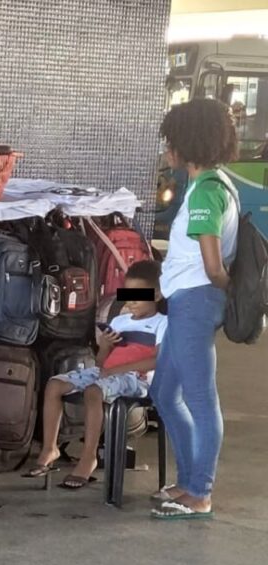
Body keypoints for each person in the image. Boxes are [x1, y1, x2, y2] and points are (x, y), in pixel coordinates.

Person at [150, 99, 239, 520]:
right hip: (187, 303)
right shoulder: (215, 183)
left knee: (201, 399)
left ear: (187, 145)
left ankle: (199, 491)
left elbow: (213, 265)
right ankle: (187, 482)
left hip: (194, 303)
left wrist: (223, 289)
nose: (168, 150)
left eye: (172, 142)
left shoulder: (206, 192)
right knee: (164, 393)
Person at [28, 261, 167, 489]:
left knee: (94, 391)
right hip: (106, 372)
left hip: (136, 378)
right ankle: (50, 448)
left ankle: (88, 457)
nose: (131, 301)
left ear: (157, 294)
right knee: (54, 385)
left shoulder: (163, 323)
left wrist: (114, 371)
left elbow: (157, 361)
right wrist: (105, 346)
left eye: (138, 296)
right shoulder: (119, 321)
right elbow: (102, 362)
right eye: (128, 294)